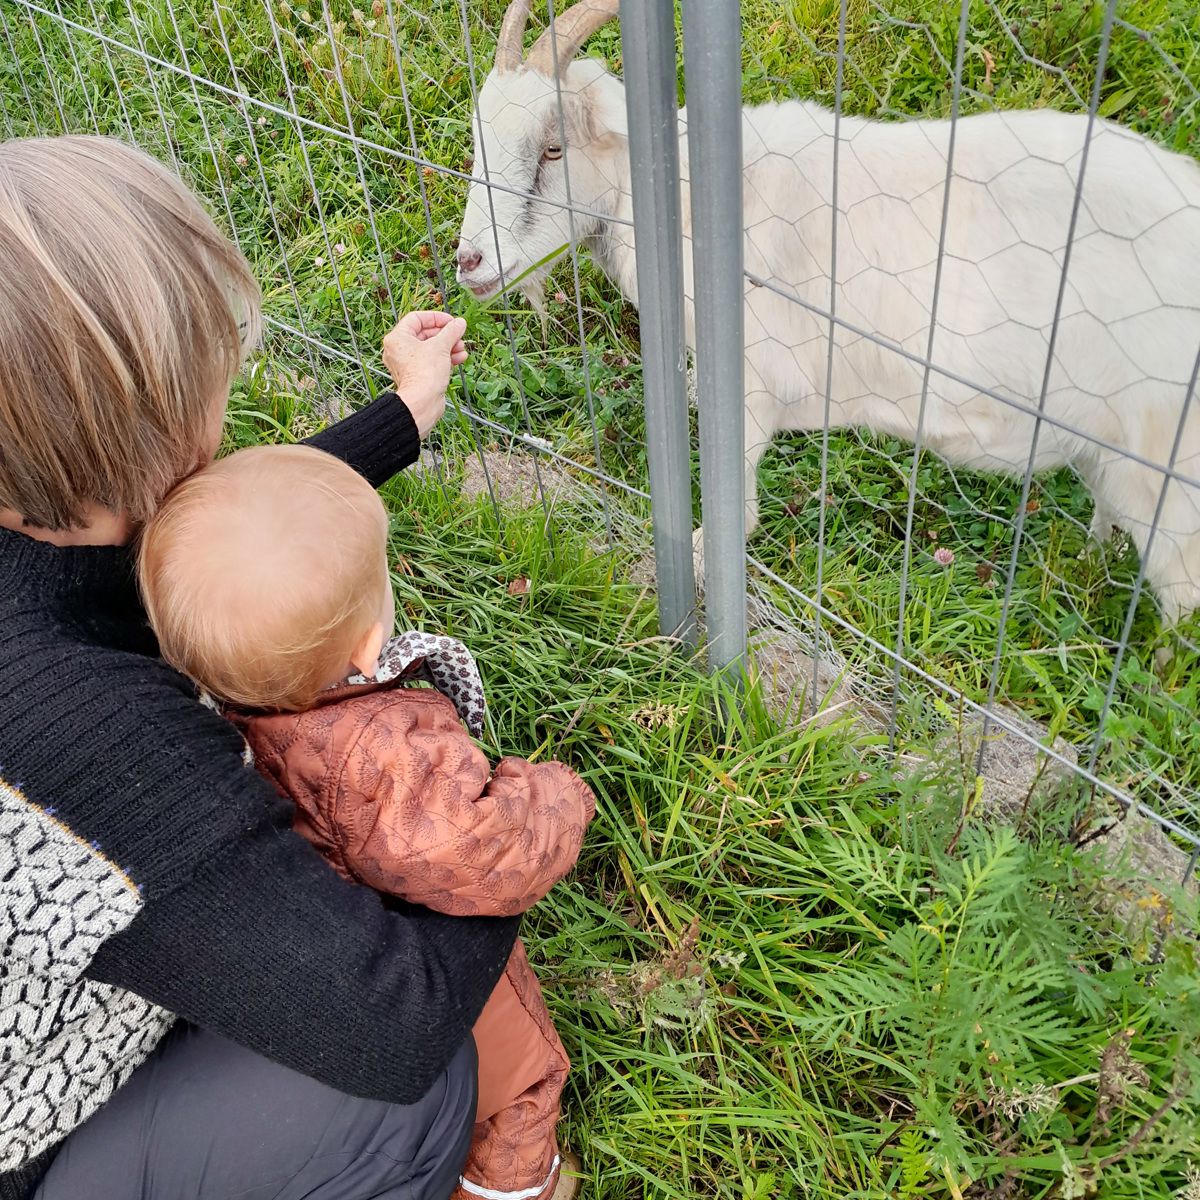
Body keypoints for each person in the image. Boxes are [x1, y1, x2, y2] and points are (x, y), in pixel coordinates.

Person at [0, 133, 518, 1200]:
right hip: (29, 1130)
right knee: (392, 1096)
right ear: (137, 416)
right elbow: (392, 1018)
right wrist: (486, 844)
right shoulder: (86, 731)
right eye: (204, 358)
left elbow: (200, 546)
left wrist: (403, 419)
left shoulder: (39, 520)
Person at [137, 442, 596, 1200]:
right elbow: (477, 847)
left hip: (328, 942)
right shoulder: (381, 752)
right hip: (422, 953)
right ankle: (514, 1187)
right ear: (368, 643)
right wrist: (555, 794)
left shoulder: (208, 703)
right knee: (521, 1083)